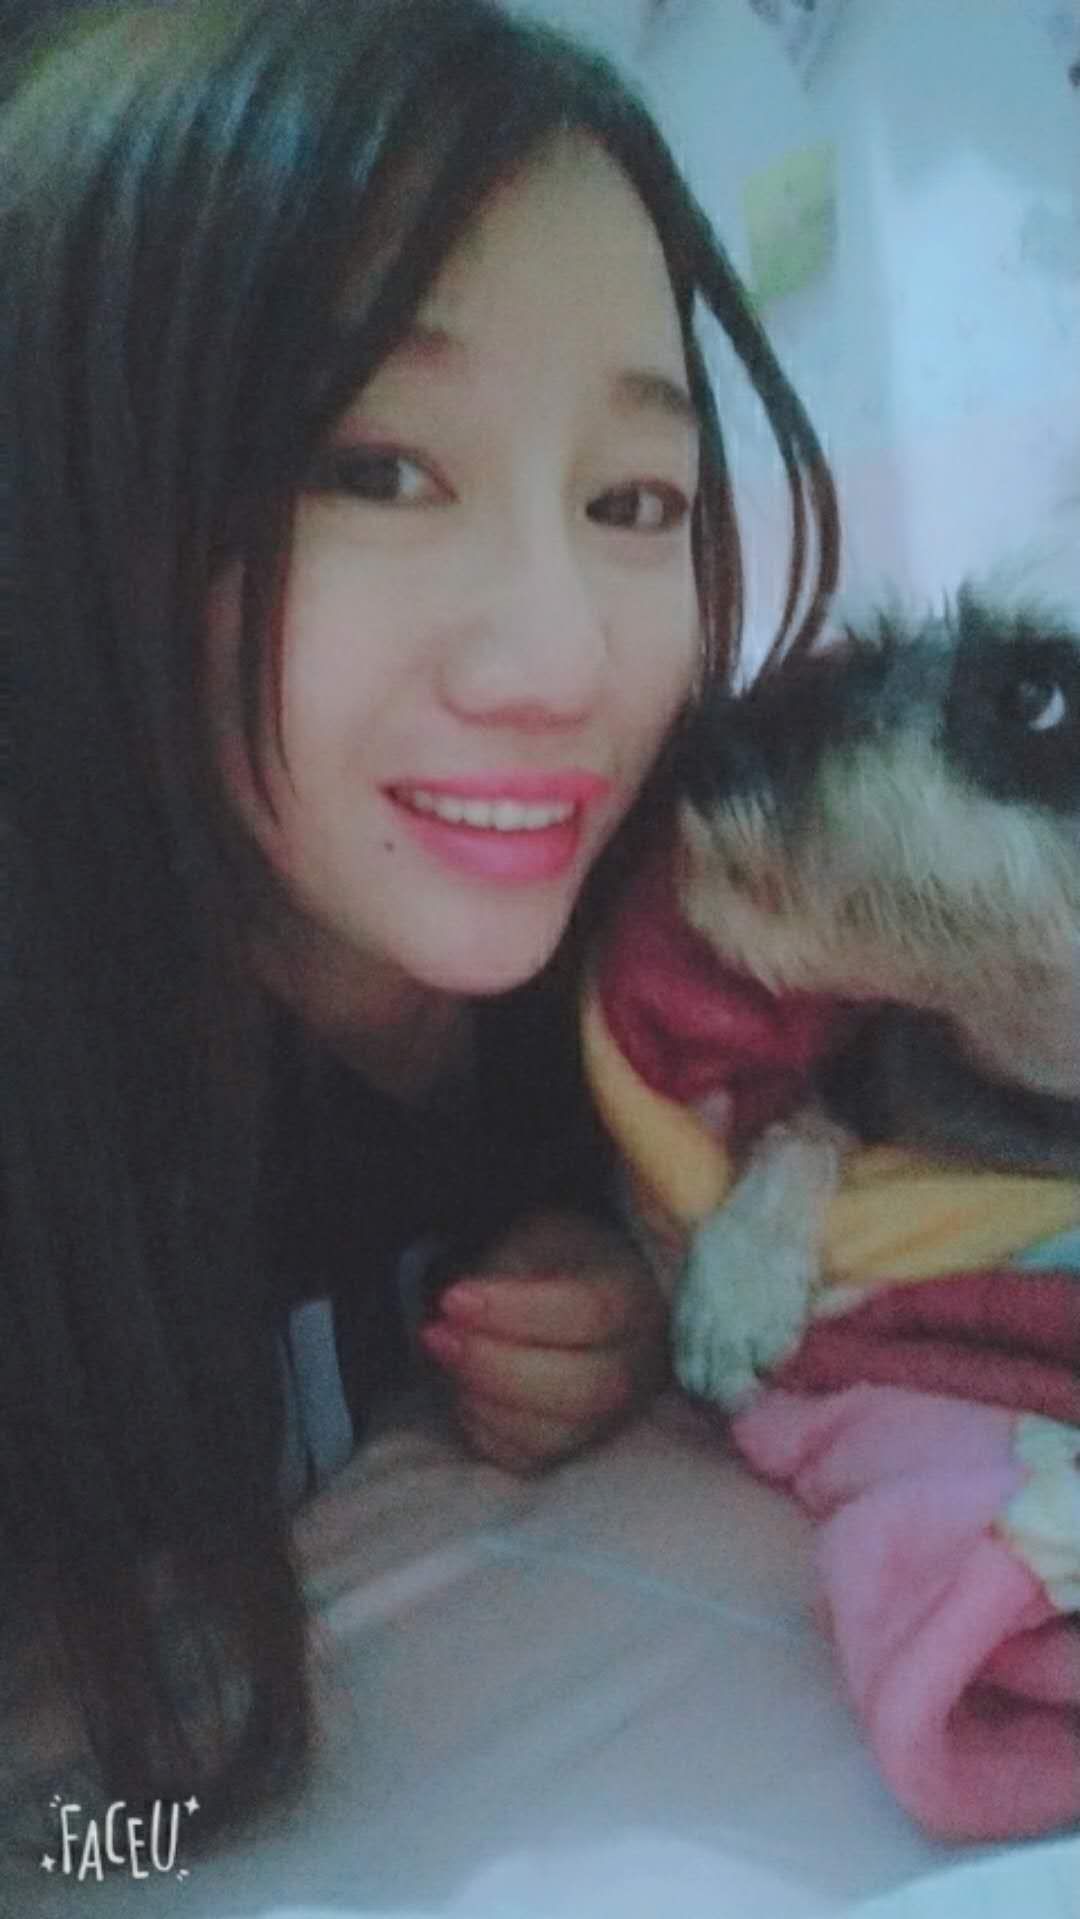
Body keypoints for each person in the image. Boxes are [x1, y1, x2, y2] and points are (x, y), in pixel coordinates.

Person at [4, 0, 838, 1851]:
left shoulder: (659, 970)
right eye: (379, 468)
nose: (563, 661)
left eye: (633, 499)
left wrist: (639, 1285)